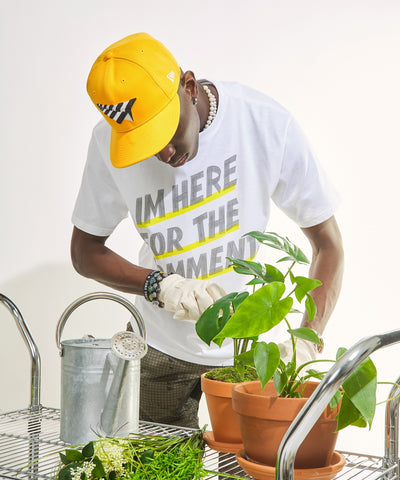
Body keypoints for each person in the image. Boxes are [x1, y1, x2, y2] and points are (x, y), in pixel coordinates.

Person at [71, 32, 344, 429]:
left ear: (189, 86)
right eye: (145, 144)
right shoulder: (107, 143)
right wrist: (159, 286)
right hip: (157, 350)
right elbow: (85, 251)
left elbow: (328, 245)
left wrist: (308, 337)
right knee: (156, 462)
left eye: (166, 132)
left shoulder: (263, 123)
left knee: (246, 461)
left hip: (248, 353)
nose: (165, 153)